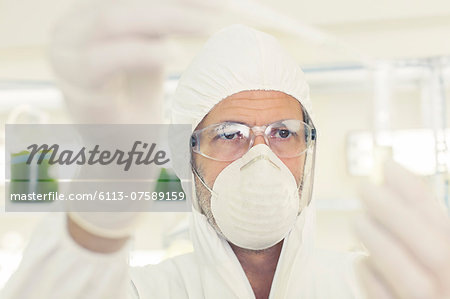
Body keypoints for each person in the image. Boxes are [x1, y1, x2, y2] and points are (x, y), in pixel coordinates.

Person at [2, 1, 450, 298]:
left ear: (308, 152)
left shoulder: (373, 288)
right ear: (187, 160)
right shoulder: (143, 292)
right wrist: (101, 209)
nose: (262, 157)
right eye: (231, 134)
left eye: (283, 133)